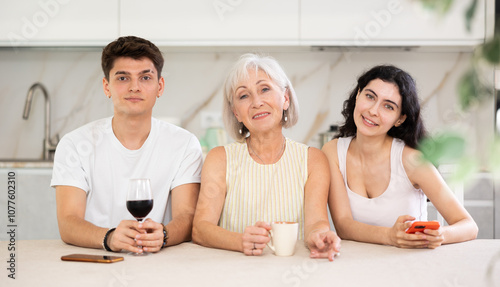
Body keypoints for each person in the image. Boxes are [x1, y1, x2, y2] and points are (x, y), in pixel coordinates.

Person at [51, 36, 203, 254]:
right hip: (96, 260)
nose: (134, 87)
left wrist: (164, 235)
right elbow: (68, 222)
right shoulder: (74, 144)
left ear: (160, 86)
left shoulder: (185, 145)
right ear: (106, 86)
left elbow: (187, 217)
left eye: (145, 78)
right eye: (123, 78)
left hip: (160, 263)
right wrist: (109, 237)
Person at [192, 53, 341, 261]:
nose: (257, 102)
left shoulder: (312, 160)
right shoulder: (220, 159)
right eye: (244, 96)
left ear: (285, 98)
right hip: (232, 272)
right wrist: (240, 241)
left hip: (291, 270)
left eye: (265, 89)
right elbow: (201, 228)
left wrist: (321, 236)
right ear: (236, 113)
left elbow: (316, 222)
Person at [322, 64, 478, 249]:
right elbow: (343, 226)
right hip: (357, 265)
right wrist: (389, 236)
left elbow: (469, 226)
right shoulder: (333, 152)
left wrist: (440, 235)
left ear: (400, 119)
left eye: (388, 106)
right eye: (370, 96)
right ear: (358, 95)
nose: (373, 111)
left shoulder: (412, 161)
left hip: (410, 267)